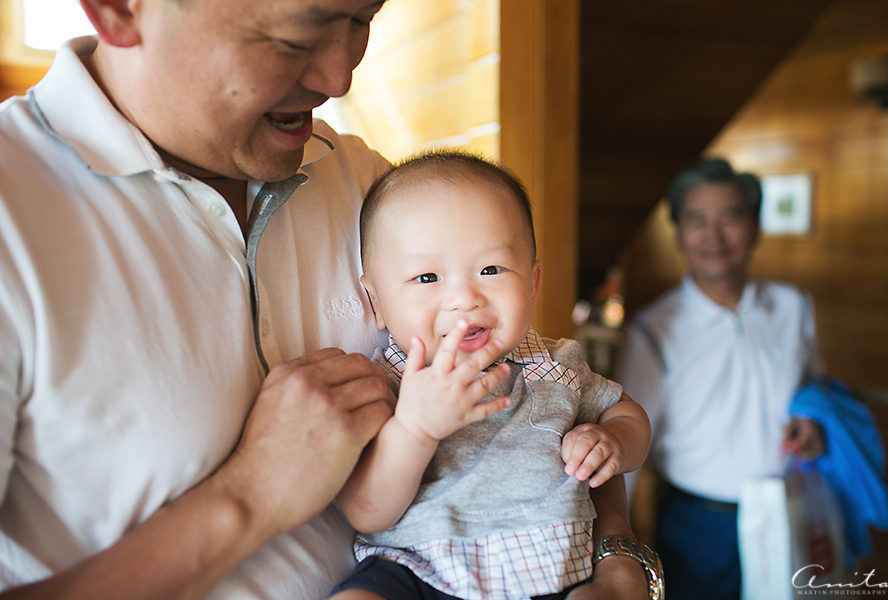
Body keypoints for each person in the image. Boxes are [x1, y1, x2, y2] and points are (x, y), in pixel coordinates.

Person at [0, 1, 651, 598]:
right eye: (296, 36)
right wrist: (249, 497)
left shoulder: (362, 178)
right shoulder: (13, 213)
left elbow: (556, 410)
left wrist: (618, 562)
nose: (341, 78)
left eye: (361, 21)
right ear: (119, 10)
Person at [329, 151, 657, 600]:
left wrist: (616, 439)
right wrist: (415, 429)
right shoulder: (385, 384)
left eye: (490, 270)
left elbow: (629, 413)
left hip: (552, 567)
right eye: (427, 277)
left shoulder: (556, 364)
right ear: (377, 302)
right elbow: (367, 511)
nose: (464, 298)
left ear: (533, 284)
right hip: (417, 570)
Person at [615, 157, 825, 600]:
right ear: (679, 236)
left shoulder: (793, 307)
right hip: (699, 523)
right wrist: (617, 551)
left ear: (756, 228)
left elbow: (813, 388)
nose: (713, 234)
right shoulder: (653, 330)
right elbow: (628, 439)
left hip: (789, 503)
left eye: (730, 217)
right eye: (696, 220)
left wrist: (811, 421)